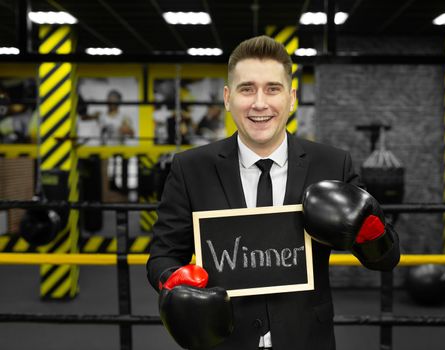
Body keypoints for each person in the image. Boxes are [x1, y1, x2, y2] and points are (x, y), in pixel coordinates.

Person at [147, 35, 400, 350]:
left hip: (307, 339)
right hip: (225, 340)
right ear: (227, 97)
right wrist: (173, 281)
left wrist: (368, 230)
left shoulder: (332, 164)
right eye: (247, 88)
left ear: (292, 98)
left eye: (273, 88)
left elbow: (386, 259)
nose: (260, 103)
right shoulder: (191, 168)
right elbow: (162, 254)